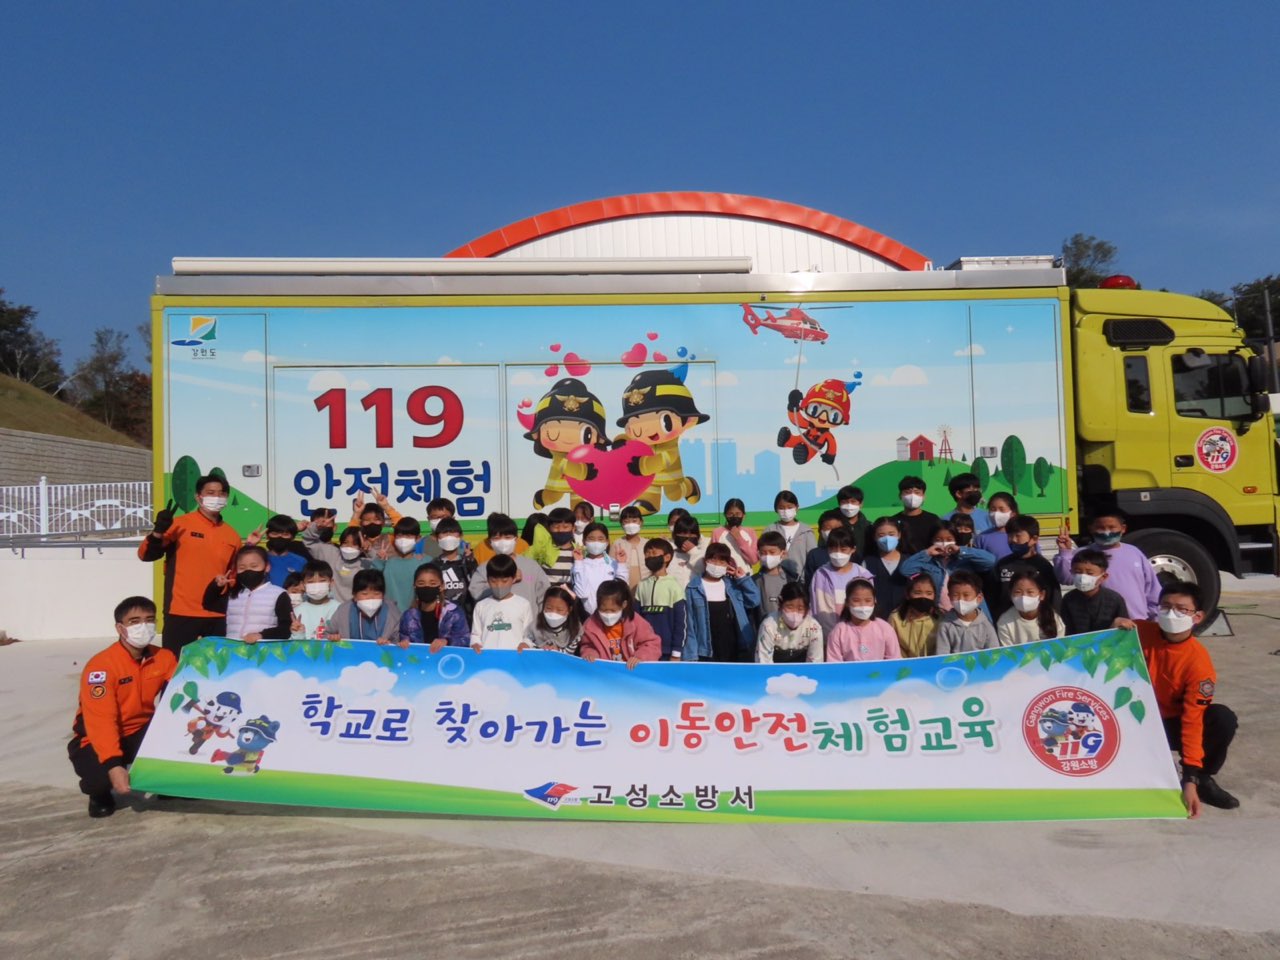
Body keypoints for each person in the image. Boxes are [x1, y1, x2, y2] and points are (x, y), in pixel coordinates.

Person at [68, 596, 177, 817]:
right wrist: (113, 764)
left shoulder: (164, 657)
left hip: (141, 730)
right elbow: (101, 720)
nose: (143, 626)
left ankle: (164, 784)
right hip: (96, 736)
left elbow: (183, 692)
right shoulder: (101, 666)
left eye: (149, 620)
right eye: (134, 621)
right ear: (120, 628)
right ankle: (99, 794)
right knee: (100, 778)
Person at [1137, 581, 1239, 815]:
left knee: (1222, 718)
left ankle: (1202, 778)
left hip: (1171, 724)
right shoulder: (1138, 631)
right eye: (1165, 606)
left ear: (1197, 617)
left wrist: (1189, 778)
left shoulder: (1198, 663)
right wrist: (1116, 624)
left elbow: (1193, 719)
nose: (1171, 614)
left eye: (1181, 609)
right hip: (1136, 719)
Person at [137, 475, 242, 653]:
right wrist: (158, 532)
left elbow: (233, 576)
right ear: (198, 497)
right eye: (210, 493)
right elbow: (146, 555)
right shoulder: (179, 524)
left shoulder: (232, 535)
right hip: (181, 611)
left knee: (215, 666)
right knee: (176, 664)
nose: (217, 497)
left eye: (221, 494)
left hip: (216, 614)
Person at [1054, 509, 1160, 621]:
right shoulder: (1084, 553)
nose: (1107, 533)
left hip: (1137, 621)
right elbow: (1066, 579)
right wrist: (1065, 552)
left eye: (1112, 527)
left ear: (1123, 528)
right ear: (1091, 529)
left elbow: (1152, 588)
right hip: (1103, 624)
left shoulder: (1134, 552)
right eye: (1101, 528)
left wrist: (1155, 616)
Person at [684, 543, 761, 662]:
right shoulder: (693, 588)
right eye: (713, 560)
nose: (717, 564)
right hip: (705, 649)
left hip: (733, 646)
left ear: (728, 565)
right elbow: (690, 623)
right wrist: (691, 654)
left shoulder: (732, 586)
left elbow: (754, 600)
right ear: (705, 561)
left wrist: (742, 579)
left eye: (722, 562)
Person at [900, 520, 996, 615]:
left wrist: (960, 550)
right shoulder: (928, 562)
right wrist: (927, 553)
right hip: (941, 614)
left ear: (956, 540)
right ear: (932, 541)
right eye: (938, 540)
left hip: (971, 613)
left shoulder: (965, 559)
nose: (944, 543)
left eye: (949, 539)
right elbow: (905, 570)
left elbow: (990, 561)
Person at [202, 545, 292, 643]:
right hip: (233, 647)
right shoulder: (233, 594)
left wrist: (261, 635)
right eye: (242, 567)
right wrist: (216, 586)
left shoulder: (278, 594)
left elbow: (287, 627)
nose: (248, 570)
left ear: (267, 567)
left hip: (262, 648)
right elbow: (208, 604)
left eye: (254, 566)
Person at [468, 519, 550, 611]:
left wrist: (541, 618)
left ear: (516, 539)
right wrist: (504, 582)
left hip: (528, 619)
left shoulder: (531, 566)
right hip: (496, 618)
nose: (502, 542)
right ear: (490, 541)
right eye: (497, 538)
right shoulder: (484, 568)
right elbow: (476, 593)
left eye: (507, 537)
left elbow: (545, 595)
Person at [988, 515, 1059, 620]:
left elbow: (1054, 599)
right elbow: (991, 596)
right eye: (1010, 536)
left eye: (1018, 536)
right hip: (1006, 622)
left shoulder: (1043, 566)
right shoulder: (1002, 565)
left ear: (1034, 539)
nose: (1013, 540)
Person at [579, 580, 661, 668]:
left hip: (631, 670)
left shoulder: (635, 622)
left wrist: (640, 657)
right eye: (603, 610)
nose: (608, 614)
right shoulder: (590, 625)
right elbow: (587, 645)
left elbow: (652, 644)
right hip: (605, 671)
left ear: (624, 605)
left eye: (613, 610)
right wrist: (590, 654)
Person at [808, 528, 875, 636]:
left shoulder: (863, 575)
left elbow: (869, 605)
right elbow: (814, 606)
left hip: (856, 635)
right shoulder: (820, 574)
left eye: (843, 549)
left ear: (853, 549)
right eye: (833, 549)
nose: (838, 553)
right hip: (826, 634)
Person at [634, 537, 687, 660]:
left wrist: (676, 652)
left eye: (653, 553)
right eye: (647, 554)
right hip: (645, 648)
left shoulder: (674, 586)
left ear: (667, 557)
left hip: (667, 651)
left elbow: (681, 623)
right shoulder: (642, 585)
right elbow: (636, 618)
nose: (649, 556)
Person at [1060, 549, 1135, 635]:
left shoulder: (1114, 599)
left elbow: (1124, 627)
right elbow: (1066, 632)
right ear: (1071, 573)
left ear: (1103, 577)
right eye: (1078, 572)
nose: (1083, 577)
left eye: (1089, 573)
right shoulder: (1069, 599)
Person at [398, 563, 468, 651]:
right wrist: (403, 643)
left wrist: (447, 641)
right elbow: (403, 639)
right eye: (421, 583)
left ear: (441, 586)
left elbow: (465, 640)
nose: (427, 587)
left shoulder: (453, 613)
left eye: (433, 583)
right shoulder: (408, 616)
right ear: (414, 586)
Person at [826, 579, 900, 662]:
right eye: (856, 601)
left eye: (868, 601)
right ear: (847, 602)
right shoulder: (838, 631)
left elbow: (894, 660)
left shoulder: (885, 628)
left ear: (874, 601)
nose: (862, 605)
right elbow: (834, 663)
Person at [470, 554, 534, 651]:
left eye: (504, 581)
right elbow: (475, 634)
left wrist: (526, 644)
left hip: (514, 657)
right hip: (488, 657)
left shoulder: (523, 604)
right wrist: (475, 644)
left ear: (514, 578)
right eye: (493, 581)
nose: (499, 585)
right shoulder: (481, 606)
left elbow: (529, 635)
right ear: (487, 579)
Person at [756, 582, 824, 663]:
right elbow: (763, 662)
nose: (794, 613)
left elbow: (815, 663)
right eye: (790, 607)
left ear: (807, 610)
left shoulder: (814, 628)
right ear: (780, 605)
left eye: (800, 609)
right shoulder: (768, 626)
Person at [371, 517, 427, 613]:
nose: (403, 539)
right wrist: (380, 560)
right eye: (400, 535)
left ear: (418, 538)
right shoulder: (387, 563)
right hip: (390, 615)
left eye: (408, 536)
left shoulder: (426, 561)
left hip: (417, 615)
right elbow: (371, 579)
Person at [934, 570, 999, 653]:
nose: (961, 600)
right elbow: (942, 655)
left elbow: (994, 653)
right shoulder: (945, 626)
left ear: (979, 598)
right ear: (949, 596)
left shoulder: (986, 625)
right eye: (955, 595)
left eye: (966, 595)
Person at [328, 569, 401, 642]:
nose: (371, 597)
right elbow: (326, 634)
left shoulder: (393, 613)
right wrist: (333, 638)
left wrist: (390, 643)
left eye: (376, 594)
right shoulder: (343, 611)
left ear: (383, 595)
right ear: (354, 595)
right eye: (365, 594)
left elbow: (399, 641)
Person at [996, 572, 1065, 645]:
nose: (1024, 597)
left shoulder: (1053, 617)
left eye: (1030, 592)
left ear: (1042, 595)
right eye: (1018, 592)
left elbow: (1060, 646)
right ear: (1010, 594)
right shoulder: (1004, 622)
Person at [862, 516, 911, 619]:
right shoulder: (867, 562)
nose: (887, 539)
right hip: (877, 617)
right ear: (874, 537)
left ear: (899, 535)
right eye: (881, 535)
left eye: (891, 534)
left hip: (905, 618)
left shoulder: (909, 561)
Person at [572, 522, 625, 615]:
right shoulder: (578, 565)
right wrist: (579, 563)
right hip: (588, 615)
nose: (596, 542)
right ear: (584, 541)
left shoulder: (614, 563)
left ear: (607, 542)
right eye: (591, 539)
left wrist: (621, 564)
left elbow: (623, 589)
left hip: (611, 614)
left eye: (600, 539)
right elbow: (581, 593)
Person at [763, 490, 817, 578]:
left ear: (797, 507)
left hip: (801, 580)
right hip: (776, 579)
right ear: (776, 509)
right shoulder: (770, 530)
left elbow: (813, 557)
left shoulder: (806, 531)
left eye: (789, 507)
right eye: (781, 508)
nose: (786, 511)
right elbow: (764, 555)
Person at [752, 530, 800, 626]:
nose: (767, 556)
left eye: (772, 552)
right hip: (764, 628)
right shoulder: (755, 581)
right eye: (763, 553)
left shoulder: (792, 579)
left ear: (783, 553)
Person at [432, 517, 477, 616]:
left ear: (460, 536)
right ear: (436, 538)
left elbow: (476, 589)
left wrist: (470, 562)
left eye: (452, 532)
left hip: (465, 616)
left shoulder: (468, 562)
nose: (448, 536)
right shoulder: (433, 565)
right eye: (444, 533)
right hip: (441, 616)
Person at [521, 585, 583, 655]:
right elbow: (529, 639)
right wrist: (526, 644)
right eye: (549, 608)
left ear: (569, 610)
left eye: (559, 610)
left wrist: (557, 651)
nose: (553, 613)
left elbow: (569, 652)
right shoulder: (536, 624)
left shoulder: (575, 629)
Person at [890, 574, 941, 658]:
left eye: (929, 593)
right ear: (908, 595)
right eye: (918, 593)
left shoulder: (940, 619)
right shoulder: (895, 618)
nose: (923, 597)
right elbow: (893, 648)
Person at [292, 560, 340, 640]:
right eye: (310, 582)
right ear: (303, 585)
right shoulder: (297, 611)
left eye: (322, 581)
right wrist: (298, 634)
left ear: (331, 582)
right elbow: (294, 642)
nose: (316, 585)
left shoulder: (340, 609)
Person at [892, 475, 939, 555]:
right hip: (903, 561)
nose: (912, 496)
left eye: (917, 492)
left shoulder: (933, 519)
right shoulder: (893, 521)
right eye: (907, 492)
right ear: (900, 496)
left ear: (923, 496)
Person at [803, 509, 853, 583]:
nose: (833, 532)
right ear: (820, 531)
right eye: (828, 528)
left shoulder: (851, 552)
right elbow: (809, 581)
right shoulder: (815, 555)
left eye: (837, 528)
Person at [712, 498, 758, 571]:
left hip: (745, 575)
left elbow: (753, 560)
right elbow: (714, 557)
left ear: (743, 515)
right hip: (724, 574)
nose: (734, 517)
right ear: (725, 515)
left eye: (738, 514)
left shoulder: (750, 532)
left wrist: (739, 538)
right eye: (730, 514)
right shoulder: (717, 532)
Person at [263, 514, 309, 586]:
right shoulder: (261, 559)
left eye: (285, 534)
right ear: (267, 535)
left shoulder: (301, 561)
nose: (279, 537)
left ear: (292, 537)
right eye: (275, 534)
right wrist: (250, 544)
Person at [328, 526, 370, 603]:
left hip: (356, 605)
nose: (349, 547)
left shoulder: (366, 564)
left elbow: (381, 568)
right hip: (334, 606)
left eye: (354, 544)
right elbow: (310, 543)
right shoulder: (333, 556)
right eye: (345, 543)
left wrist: (370, 551)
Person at [612, 505, 649, 588]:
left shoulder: (647, 544)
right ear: (621, 524)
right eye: (626, 521)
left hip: (646, 588)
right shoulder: (617, 544)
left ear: (641, 522)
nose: (630, 524)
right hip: (624, 588)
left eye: (634, 521)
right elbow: (611, 569)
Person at [669, 516, 710, 589]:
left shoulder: (702, 554)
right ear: (674, 535)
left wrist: (693, 551)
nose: (687, 537)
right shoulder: (669, 556)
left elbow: (704, 571)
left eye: (691, 534)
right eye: (683, 533)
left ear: (698, 536)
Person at [975, 492, 1018, 559]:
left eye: (1001, 509)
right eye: (993, 509)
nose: (996, 513)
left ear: (1013, 513)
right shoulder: (982, 537)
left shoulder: (1024, 533)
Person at [542, 507, 577, 587]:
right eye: (556, 527)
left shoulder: (579, 552)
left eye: (565, 527)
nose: (560, 530)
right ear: (549, 528)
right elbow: (529, 575)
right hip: (548, 594)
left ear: (573, 528)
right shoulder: (542, 550)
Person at [836, 485, 871, 557]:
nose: (849, 505)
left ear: (861, 504)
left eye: (853, 501)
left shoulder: (869, 527)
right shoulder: (832, 525)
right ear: (839, 504)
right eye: (844, 502)